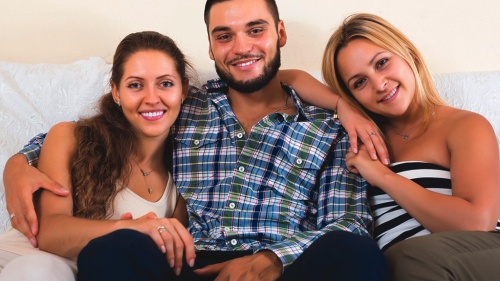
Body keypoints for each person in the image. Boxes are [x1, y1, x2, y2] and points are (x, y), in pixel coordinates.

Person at [3, 1, 391, 280]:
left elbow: (350, 222)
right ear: (210, 47)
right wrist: (19, 161)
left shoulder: (331, 127)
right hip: (188, 262)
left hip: (283, 266)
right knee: (113, 249)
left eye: (256, 29)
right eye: (225, 36)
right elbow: (102, 129)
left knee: (355, 253)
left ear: (280, 33)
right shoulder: (187, 103)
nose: (241, 47)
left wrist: (273, 259)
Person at [285, 13, 500, 280]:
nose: (379, 84)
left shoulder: (464, 125)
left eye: (382, 63)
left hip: (477, 256)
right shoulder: (361, 140)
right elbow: (284, 78)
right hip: (400, 269)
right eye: (359, 82)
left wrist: (382, 176)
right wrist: (342, 107)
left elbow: (477, 222)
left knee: (407, 258)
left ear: (407, 53)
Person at [0, 31, 196, 280]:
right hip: (22, 262)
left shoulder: (182, 181)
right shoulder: (69, 136)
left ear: (184, 90)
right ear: (116, 92)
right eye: (135, 85)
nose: (152, 98)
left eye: (165, 84)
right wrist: (129, 227)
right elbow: (50, 233)